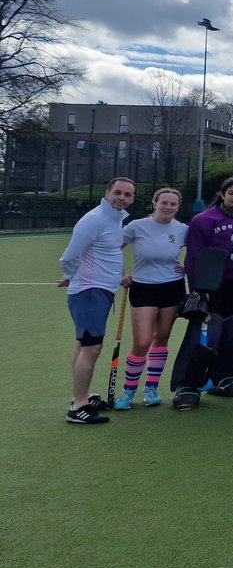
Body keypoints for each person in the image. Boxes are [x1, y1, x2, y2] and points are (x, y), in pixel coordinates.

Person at [58, 177, 136, 424]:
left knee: (85, 345)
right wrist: (71, 276)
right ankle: (78, 406)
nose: (122, 198)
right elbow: (68, 257)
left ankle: (82, 397)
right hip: (90, 291)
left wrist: (119, 278)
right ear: (107, 193)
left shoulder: (115, 220)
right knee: (91, 347)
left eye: (127, 194)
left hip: (101, 290)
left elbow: (106, 254)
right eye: (118, 193)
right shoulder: (94, 220)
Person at [184, 177, 233, 397]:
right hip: (215, 284)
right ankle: (196, 378)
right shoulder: (203, 219)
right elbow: (194, 255)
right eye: (231, 193)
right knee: (212, 331)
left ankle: (227, 377)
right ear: (222, 194)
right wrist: (196, 287)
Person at [114, 187, 187, 409]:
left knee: (162, 337)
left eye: (173, 204)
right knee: (142, 342)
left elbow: (198, 251)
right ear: (155, 203)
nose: (168, 207)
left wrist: (190, 265)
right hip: (144, 287)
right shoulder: (137, 226)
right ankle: (128, 392)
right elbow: (112, 249)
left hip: (172, 288)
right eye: (164, 202)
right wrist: (120, 275)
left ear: (178, 207)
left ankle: (151, 388)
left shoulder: (183, 229)